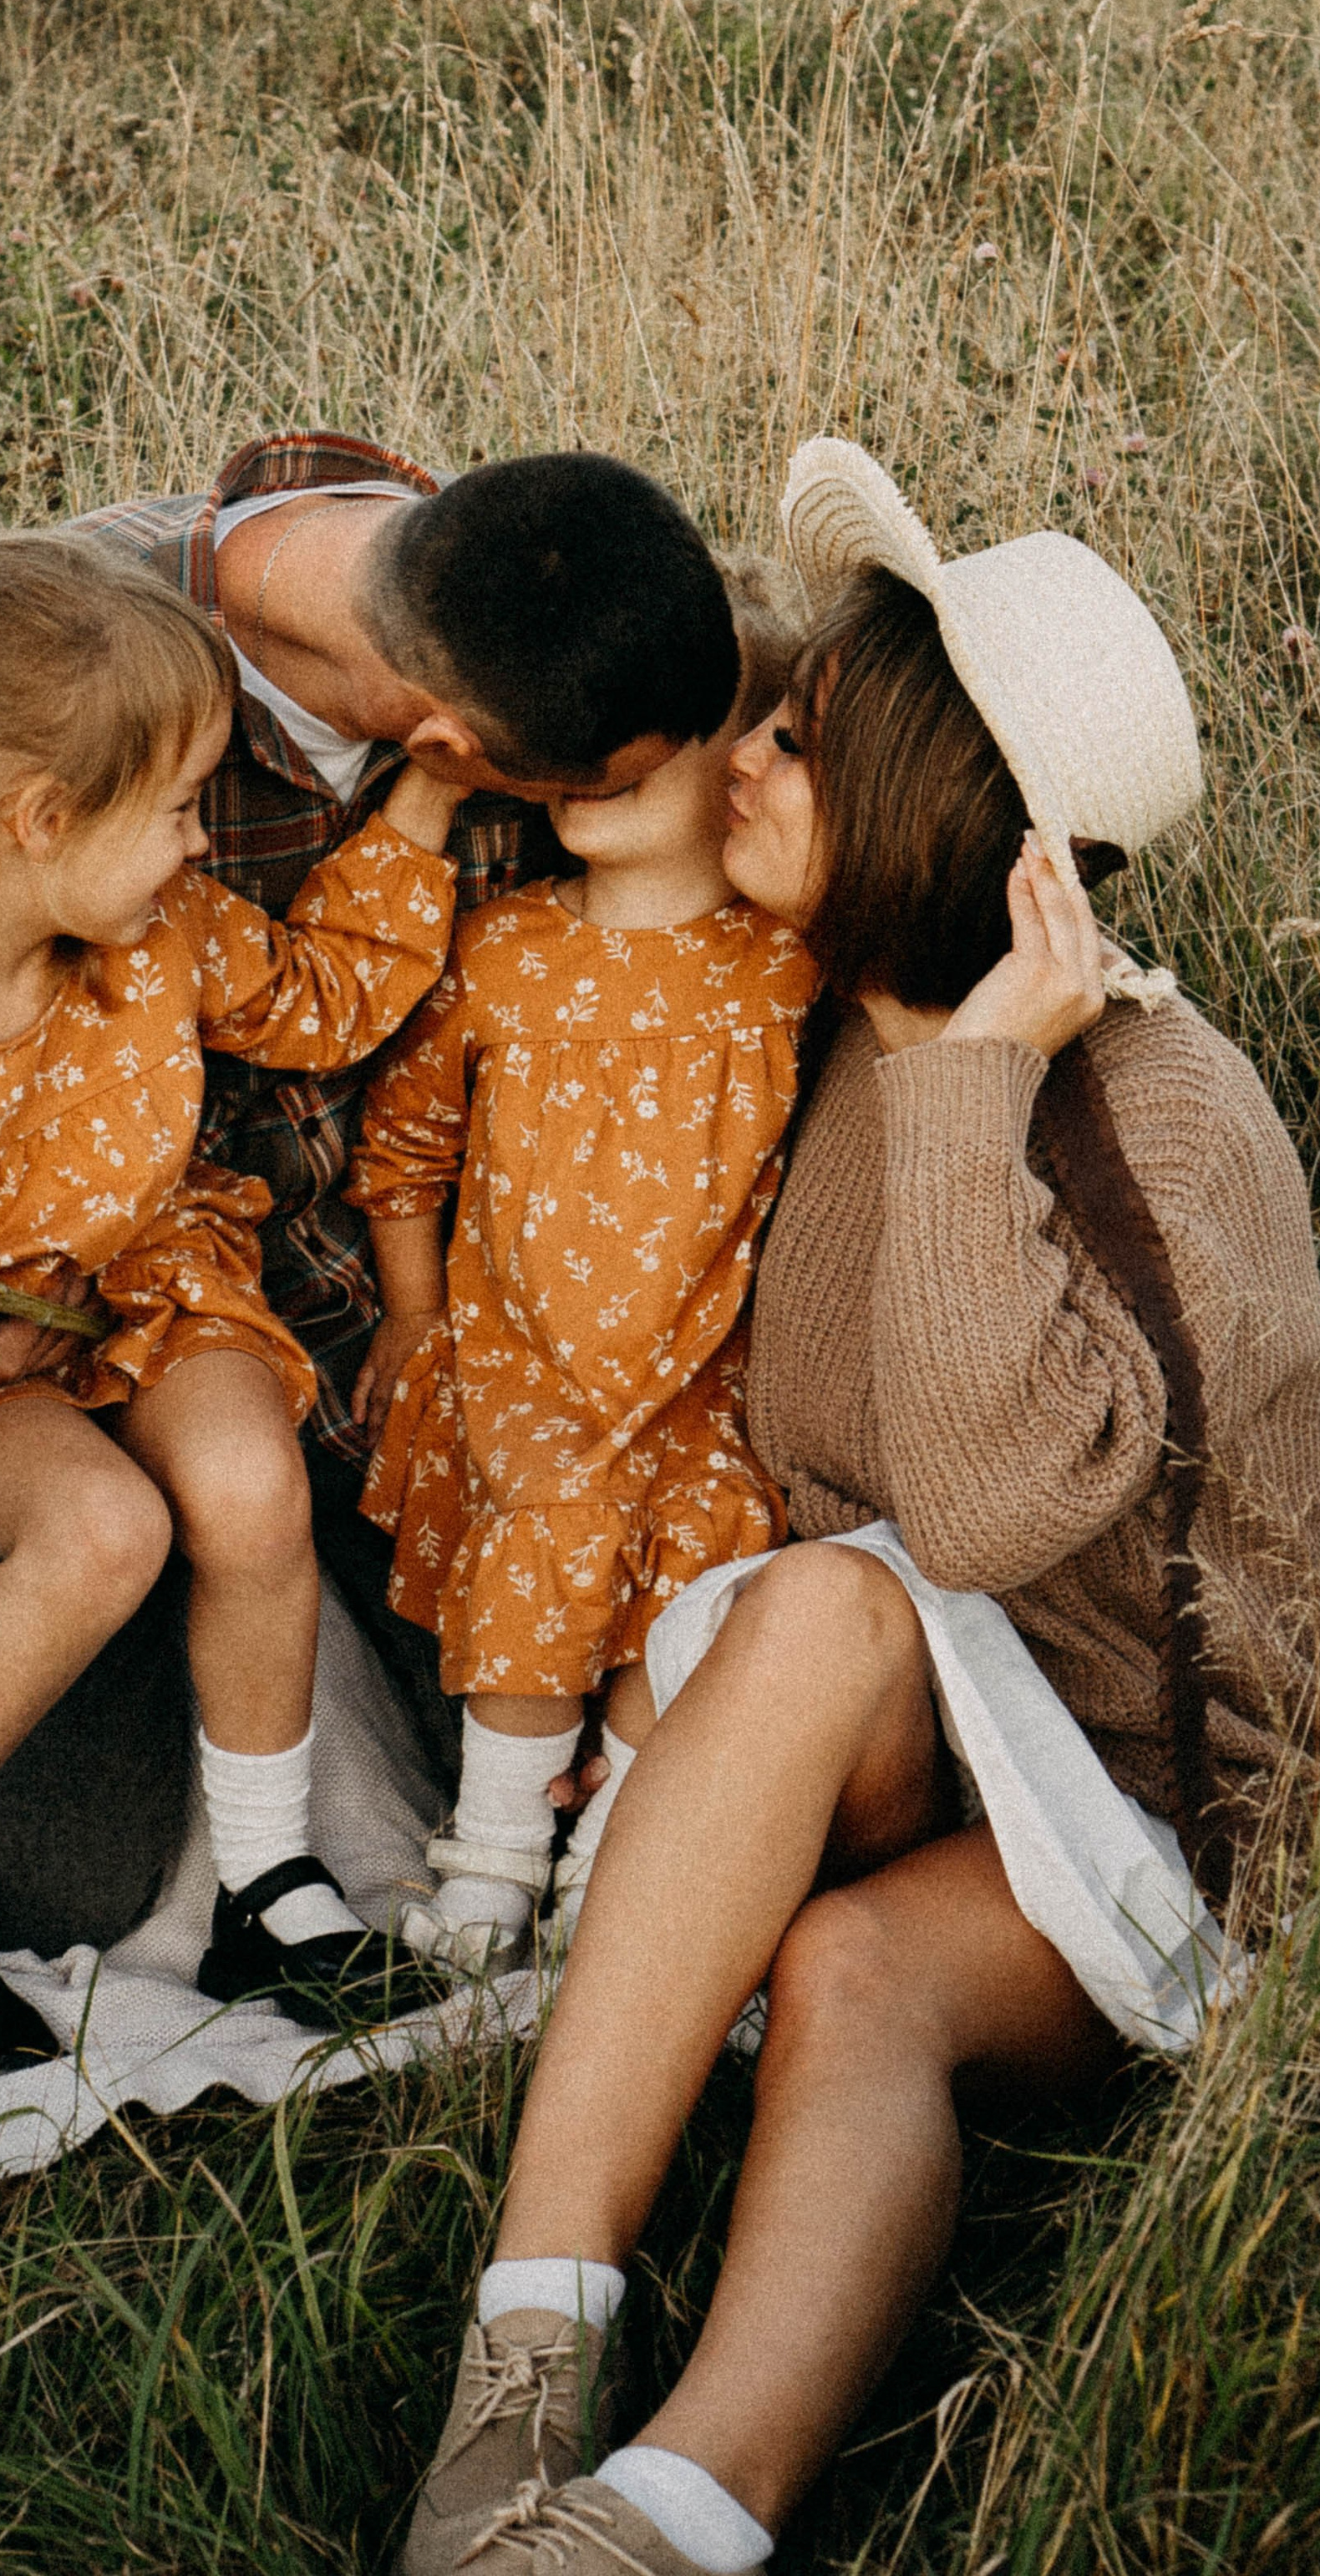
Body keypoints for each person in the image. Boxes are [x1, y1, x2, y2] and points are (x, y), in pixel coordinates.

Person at [394, 439, 1320, 2576]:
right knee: (814, 1622)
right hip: (903, 1681)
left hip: (1154, 1814)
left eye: (793, 741)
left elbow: (989, 1509)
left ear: (927, 813)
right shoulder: (832, 999)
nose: (738, 755)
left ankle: (666, 2511)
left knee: (849, 1958)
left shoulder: (1147, 1131)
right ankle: (523, 2358)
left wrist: (967, 1091)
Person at [0, 436, 744, 1956]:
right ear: (449, 745)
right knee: (52, 1886)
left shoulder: (521, 599)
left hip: (315, 1347)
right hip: (0, 1365)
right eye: (573, 797)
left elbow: (335, 998)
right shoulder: (51, 677)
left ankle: (281, 1864)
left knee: (501, 1738)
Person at [0, 531, 475, 2077]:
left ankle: (267, 1882)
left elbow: (323, 1004)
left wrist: (432, 802)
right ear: (43, 819)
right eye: (183, 809)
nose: (204, 844)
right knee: (106, 1531)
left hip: (149, 1279)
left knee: (251, 1483)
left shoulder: (165, 940)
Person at [345, 560, 815, 1973]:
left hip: (694, 1375)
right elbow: (405, 1147)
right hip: (520, 1363)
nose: (593, 756)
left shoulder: (785, 967)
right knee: (545, 1530)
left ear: (739, 761)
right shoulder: (502, 952)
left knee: (704, 1566)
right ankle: (489, 1865)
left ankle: (612, 1872)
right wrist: (413, 1316)